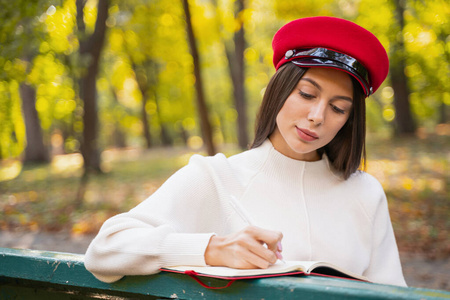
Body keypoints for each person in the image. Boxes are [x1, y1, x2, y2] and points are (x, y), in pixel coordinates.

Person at [84, 16, 407, 287]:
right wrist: (211, 248)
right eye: (307, 94)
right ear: (279, 88)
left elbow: (393, 291)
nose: (317, 117)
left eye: (338, 108)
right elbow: (105, 250)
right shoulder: (216, 177)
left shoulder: (366, 193)